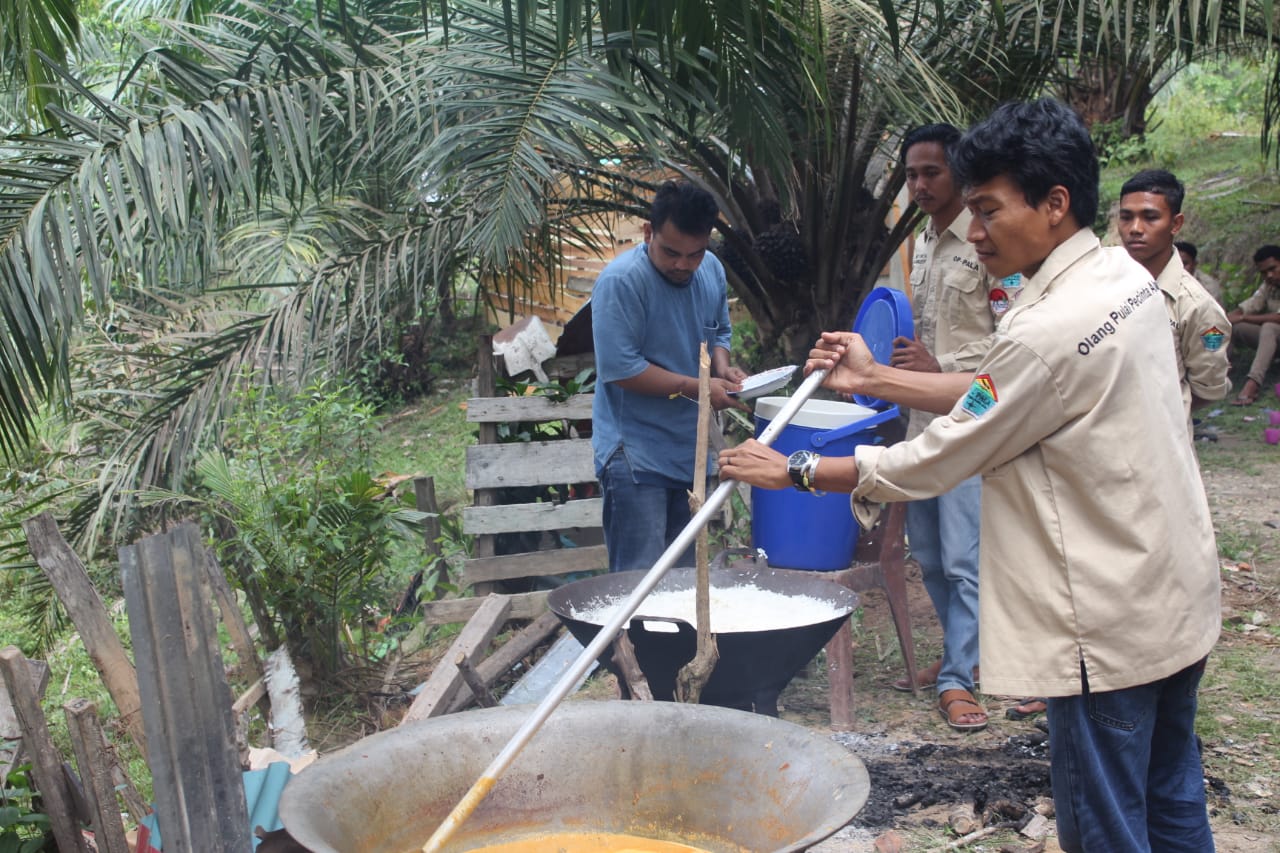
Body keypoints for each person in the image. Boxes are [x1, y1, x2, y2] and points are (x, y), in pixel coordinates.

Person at [720, 98, 1219, 852]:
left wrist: (792, 467)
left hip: (1105, 628)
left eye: (987, 210)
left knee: (1109, 828)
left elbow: (938, 454)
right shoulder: (1123, 277)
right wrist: (879, 379)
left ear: (1055, 205)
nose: (974, 231)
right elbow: (1008, 391)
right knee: (1172, 803)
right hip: (1172, 597)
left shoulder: (1046, 328)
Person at [887, 123, 1010, 731]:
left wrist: (944, 367)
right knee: (929, 554)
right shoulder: (929, 243)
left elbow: (1013, 342)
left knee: (964, 557)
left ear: (959, 173)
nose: (919, 184)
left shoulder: (990, 244)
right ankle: (964, 656)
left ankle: (961, 676)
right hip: (922, 423)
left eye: (931, 172)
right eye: (911, 175)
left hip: (970, 421)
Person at [591, 180, 748, 572]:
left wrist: (723, 366)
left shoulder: (710, 270)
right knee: (637, 586)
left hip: (689, 452)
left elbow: (720, 331)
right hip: (635, 456)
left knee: (683, 582)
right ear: (648, 233)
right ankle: (628, 639)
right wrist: (701, 388)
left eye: (695, 254)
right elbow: (623, 370)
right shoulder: (621, 282)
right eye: (671, 252)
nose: (683, 264)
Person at [1118, 171, 1231, 420]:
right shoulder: (1103, 280)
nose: (1135, 229)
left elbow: (1207, 388)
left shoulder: (1196, 306)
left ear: (1176, 224)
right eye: (1126, 217)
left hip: (1160, 445)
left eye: (1150, 217)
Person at [1226, 245, 1280, 405]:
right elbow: (1248, 306)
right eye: (1263, 272)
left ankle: (1252, 385)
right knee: (1233, 327)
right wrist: (1225, 320)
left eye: (1273, 269)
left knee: (1270, 326)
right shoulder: (1269, 286)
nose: (1269, 275)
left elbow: (1278, 318)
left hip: (1274, 330)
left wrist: (1243, 317)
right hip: (1274, 340)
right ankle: (1218, 374)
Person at [1175, 240, 1223, 305]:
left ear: (1195, 264)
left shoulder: (1208, 286)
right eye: (1176, 263)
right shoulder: (1162, 278)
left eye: (1185, 264)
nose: (1180, 268)